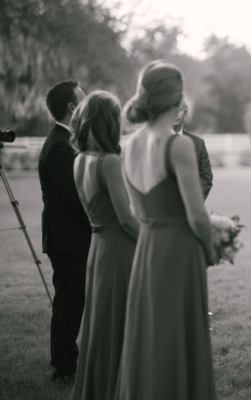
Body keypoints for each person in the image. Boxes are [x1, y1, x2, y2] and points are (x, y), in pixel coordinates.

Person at [114, 60, 217, 400]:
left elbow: (135, 208)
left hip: (146, 248)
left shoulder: (127, 146)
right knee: (179, 335)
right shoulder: (178, 145)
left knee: (152, 334)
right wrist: (213, 247)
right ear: (176, 97)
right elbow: (197, 215)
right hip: (179, 251)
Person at [69, 91, 139, 400]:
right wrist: (153, 241)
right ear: (109, 121)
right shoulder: (109, 161)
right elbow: (125, 219)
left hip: (98, 248)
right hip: (118, 248)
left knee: (102, 325)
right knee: (120, 324)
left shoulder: (80, 159)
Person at [38, 79, 90, 382]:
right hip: (68, 237)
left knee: (73, 300)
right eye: (82, 100)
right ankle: (64, 368)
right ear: (72, 107)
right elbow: (75, 198)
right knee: (69, 303)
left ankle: (70, 361)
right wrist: (99, 225)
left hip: (71, 236)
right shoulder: (59, 145)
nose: (85, 105)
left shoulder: (65, 140)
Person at [173, 99, 213, 199]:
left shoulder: (198, 144)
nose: (176, 114)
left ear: (185, 112)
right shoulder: (157, 143)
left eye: (180, 110)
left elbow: (206, 178)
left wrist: (193, 201)